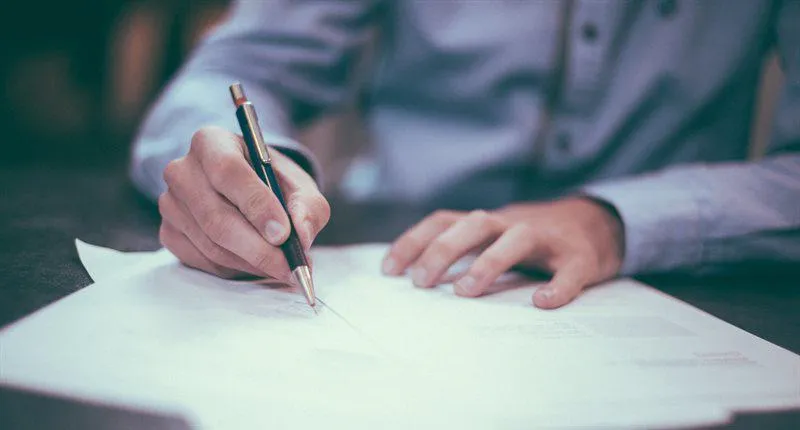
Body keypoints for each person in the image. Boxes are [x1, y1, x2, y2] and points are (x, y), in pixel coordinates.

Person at [131, 1, 800, 309]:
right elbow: (236, 70)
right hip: (396, 263)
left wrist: (615, 219)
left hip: (686, 287)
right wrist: (244, 170)